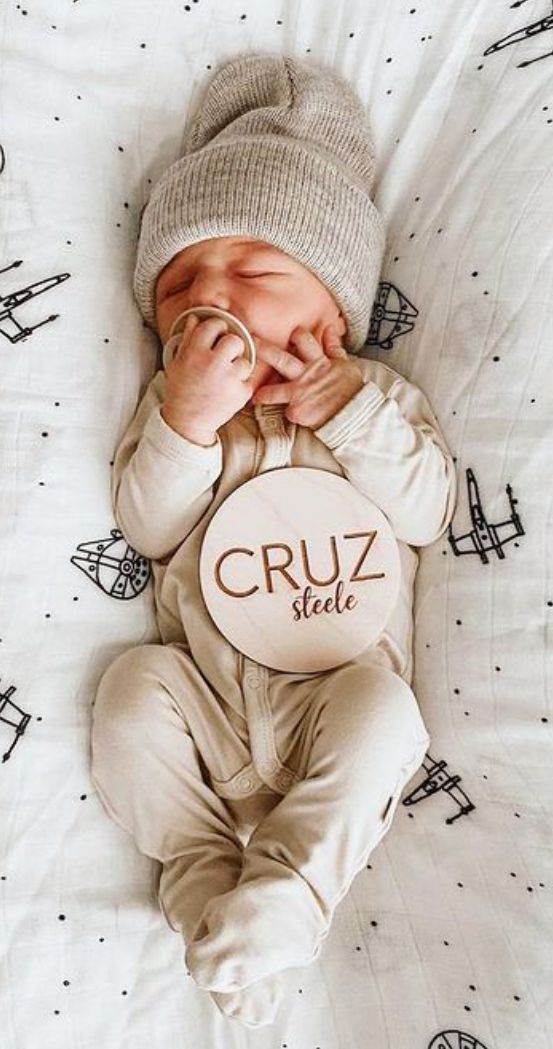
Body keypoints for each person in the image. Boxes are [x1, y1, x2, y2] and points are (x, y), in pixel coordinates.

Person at [90, 52, 457, 1029]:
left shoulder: (378, 400)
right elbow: (147, 524)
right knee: (128, 695)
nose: (215, 296)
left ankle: (289, 890)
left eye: (254, 271)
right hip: (205, 704)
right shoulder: (171, 414)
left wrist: (349, 411)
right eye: (178, 286)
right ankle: (204, 867)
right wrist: (186, 424)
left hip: (328, 697)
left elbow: (427, 510)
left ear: (333, 308)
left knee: (387, 714)